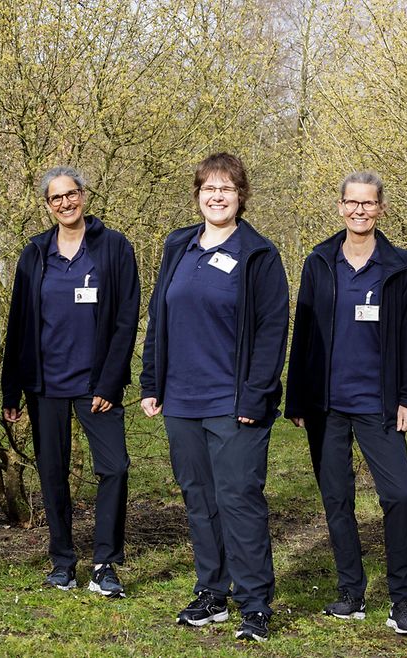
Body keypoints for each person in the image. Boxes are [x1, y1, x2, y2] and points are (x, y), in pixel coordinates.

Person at [140, 153, 288, 642]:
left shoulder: (258, 254)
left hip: (234, 402)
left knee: (239, 499)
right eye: (209, 188)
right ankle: (212, 593)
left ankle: (255, 603)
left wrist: (255, 396)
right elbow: (159, 316)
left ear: (240, 195)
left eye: (226, 188)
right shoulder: (178, 245)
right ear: (198, 195)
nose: (217, 196)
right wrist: (152, 382)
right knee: (199, 499)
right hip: (181, 400)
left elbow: (271, 332)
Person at [285, 171, 407, 637]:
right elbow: (302, 333)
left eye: (368, 204)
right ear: (341, 207)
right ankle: (351, 592)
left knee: (399, 497)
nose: (360, 211)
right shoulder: (319, 261)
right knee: (337, 499)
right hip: (326, 405)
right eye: (352, 203)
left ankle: (404, 601)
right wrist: (298, 397)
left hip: (380, 404)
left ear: (380, 209)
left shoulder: (402, 267)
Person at [0, 167, 139, 597]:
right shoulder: (34, 254)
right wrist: (11, 389)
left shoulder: (113, 248)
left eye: (71, 194)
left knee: (114, 467)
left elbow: (125, 320)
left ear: (84, 196)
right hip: (45, 386)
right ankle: (62, 561)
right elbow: (20, 324)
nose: (65, 203)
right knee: (53, 475)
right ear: (47, 205)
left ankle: (105, 563)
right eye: (56, 198)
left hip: (96, 386)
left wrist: (110, 383)